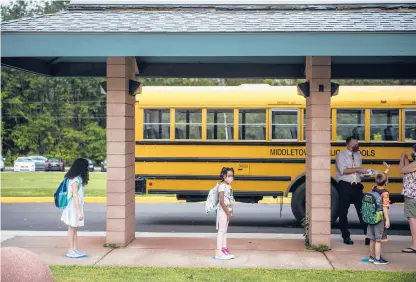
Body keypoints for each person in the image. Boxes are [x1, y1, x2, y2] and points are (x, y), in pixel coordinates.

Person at [336, 136, 369, 245]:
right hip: (345, 185)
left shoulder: (358, 155)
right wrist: (359, 169)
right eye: (354, 144)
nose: (357, 146)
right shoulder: (341, 155)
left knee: (363, 211)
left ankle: (368, 235)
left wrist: (365, 173)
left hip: (357, 186)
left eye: (357, 144)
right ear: (348, 145)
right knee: (343, 212)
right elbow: (343, 170)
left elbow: (357, 170)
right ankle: (346, 236)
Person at [60, 158, 89, 258]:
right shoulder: (75, 180)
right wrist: (79, 212)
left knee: (74, 228)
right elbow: (75, 196)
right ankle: (70, 250)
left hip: (76, 207)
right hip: (73, 207)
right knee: (72, 228)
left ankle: (74, 249)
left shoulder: (77, 178)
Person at [367, 173, 391, 265]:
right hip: (379, 218)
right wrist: (387, 219)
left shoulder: (373, 188)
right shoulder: (385, 193)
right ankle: (377, 258)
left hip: (371, 216)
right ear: (386, 182)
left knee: (372, 238)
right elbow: (384, 207)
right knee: (378, 239)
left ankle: (371, 257)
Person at [215, 167, 236, 260]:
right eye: (229, 176)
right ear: (224, 176)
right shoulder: (222, 186)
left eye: (232, 176)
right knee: (221, 230)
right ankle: (219, 251)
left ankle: (224, 248)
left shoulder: (229, 186)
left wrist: (231, 211)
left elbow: (230, 199)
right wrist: (227, 212)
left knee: (225, 231)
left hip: (228, 211)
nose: (231, 178)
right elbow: (222, 202)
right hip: (223, 211)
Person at [399, 144, 416, 254]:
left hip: (412, 196)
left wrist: (401, 158)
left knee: (412, 220)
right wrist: (406, 160)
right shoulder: (413, 165)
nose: (412, 153)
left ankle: (414, 245)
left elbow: (400, 170)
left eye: (413, 151)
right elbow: (406, 171)